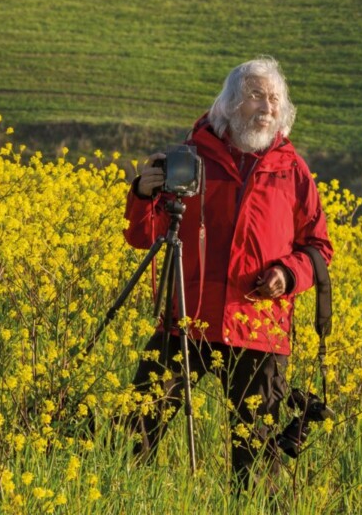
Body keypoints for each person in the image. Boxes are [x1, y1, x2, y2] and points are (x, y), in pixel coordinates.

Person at [123, 56, 333, 489]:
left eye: (275, 98)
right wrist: (143, 193)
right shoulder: (192, 159)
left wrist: (288, 275)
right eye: (256, 95)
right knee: (134, 433)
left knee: (257, 461)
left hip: (258, 325)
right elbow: (144, 236)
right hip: (187, 317)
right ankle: (115, 496)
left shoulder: (292, 170)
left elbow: (318, 248)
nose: (268, 106)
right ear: (230, 104)